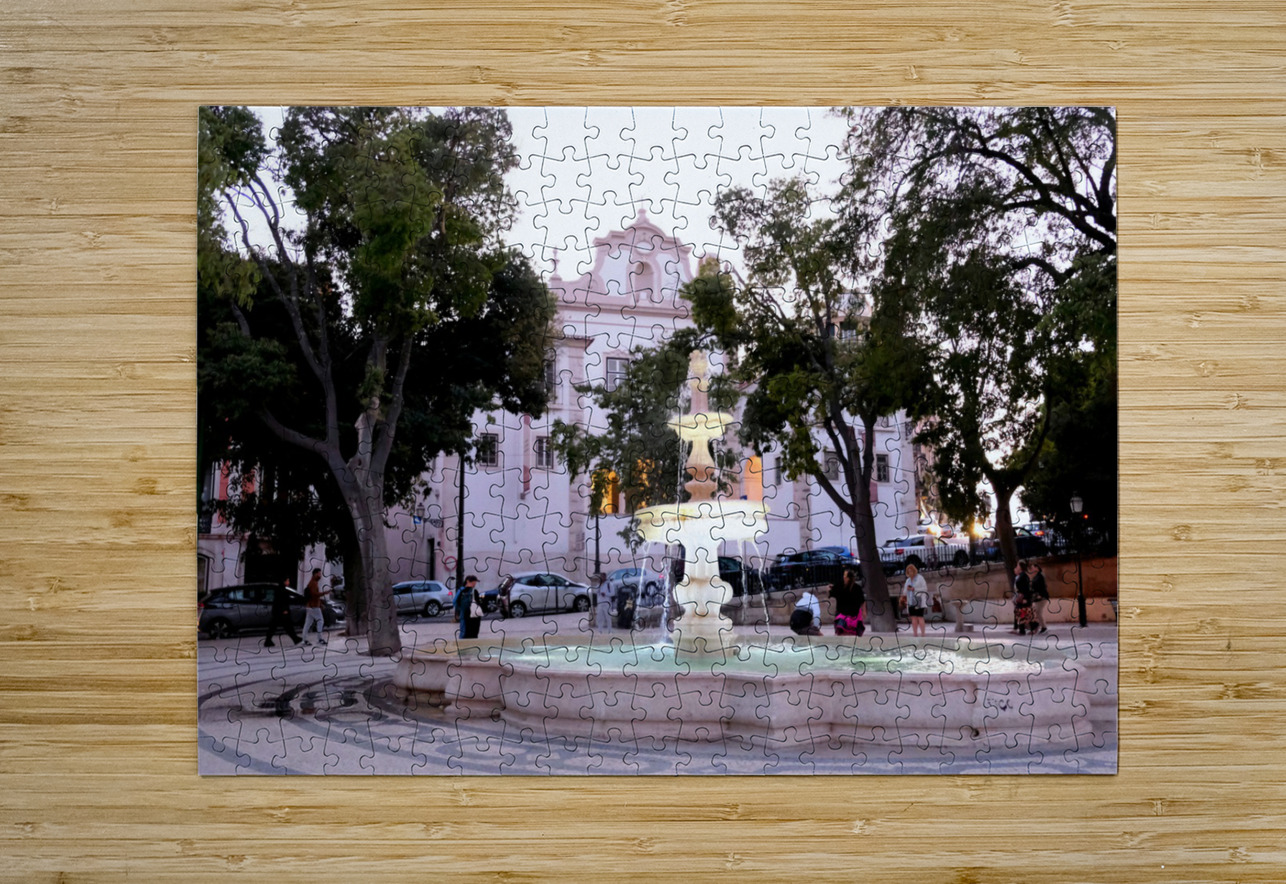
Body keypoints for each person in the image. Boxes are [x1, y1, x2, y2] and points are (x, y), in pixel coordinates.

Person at [264, 577, 302, 648]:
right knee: (287, 625)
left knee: (275, 626)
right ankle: (295, 638)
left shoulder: (280, 589)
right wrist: (284, 610)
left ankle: (268, 640)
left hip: (277, 611)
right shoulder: (282, 590)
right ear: (284, 581)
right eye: (287, 581)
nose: (288, 582)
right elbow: (282, 601)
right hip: (281, 612)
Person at [831, 568, 866, 636]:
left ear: (849, 578)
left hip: (853, 615)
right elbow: (833, 593)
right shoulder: (840, 586)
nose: (844, 577)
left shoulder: (857, 588)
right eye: (844, 575)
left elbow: (862, 600)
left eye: (845, 576)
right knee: (841, 630)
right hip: (842, 614)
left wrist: (864, 611)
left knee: (852, 632)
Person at [300, 568, 329, 646]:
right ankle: (320, 639)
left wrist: (320, 604)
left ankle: (304, 640)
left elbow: (314, 596)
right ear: (315, 574)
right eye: (319, 574)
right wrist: (325, 592)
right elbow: (314, 594)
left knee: (308, 623)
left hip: (310, 606)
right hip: (314, 607)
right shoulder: (313, 583)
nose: (320, 575)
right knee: (320, 621)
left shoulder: (313, 582)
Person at [901, 564, 930, 637]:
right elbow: (904, 592)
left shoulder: (920, 578)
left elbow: (925, 589)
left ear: (914, 571)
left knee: (920, 617)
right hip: (910, 601)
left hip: (918, 600)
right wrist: (907, 589)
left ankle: (923, 634)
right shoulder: (908, 580)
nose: (910, 573)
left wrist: (914, 589)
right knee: (913, 617)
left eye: (911, 571)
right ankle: (915, 634)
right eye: (908, 571)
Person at [454, 574, 482, 639]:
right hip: (470, 616)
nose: (474, 584)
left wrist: (459, 610)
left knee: (465, 633)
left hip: (468, 615)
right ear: (468, 581)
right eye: (473, 582)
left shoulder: (463, 590)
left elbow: (455, 602)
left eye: (475, 582)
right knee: (467, 633)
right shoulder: (464, 590)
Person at [1028, 562, 1050, 634]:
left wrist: (1041, 594)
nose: (1031, 569)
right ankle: (1040, 626)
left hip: (1042, 597)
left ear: (1037, 568)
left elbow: (1043, 586)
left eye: (1033, 567)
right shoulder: (1036, 576)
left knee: (1038, 611)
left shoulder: (1040, 576)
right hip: (1037, 597)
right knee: (1037, 612)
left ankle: (1043, 627)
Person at [1012, 560, 1032, 634]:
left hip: (1023, 597)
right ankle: (1021, 629)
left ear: (1020, 567)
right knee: (1020, 612)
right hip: (1021, 597)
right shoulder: (1021, 575)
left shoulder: (1023, 576)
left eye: (1018, 565)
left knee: (1022, 613)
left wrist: (1025, 597)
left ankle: (1023, 629)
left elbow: (1026, 588)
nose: (1016, 567)